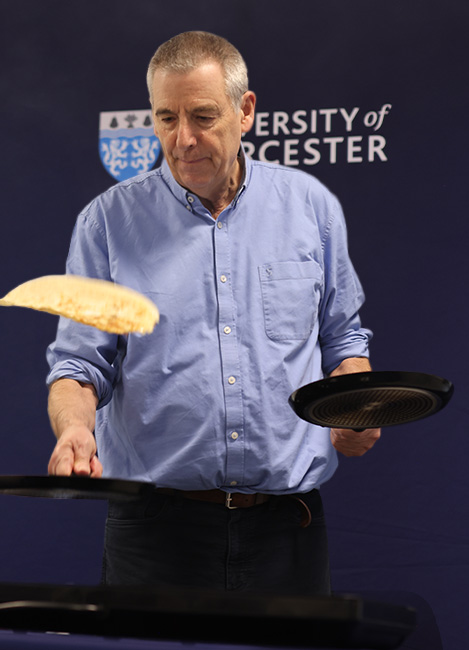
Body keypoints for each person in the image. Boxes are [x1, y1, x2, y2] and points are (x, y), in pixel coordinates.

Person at [45, 31, 380, 595]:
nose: (183, 139)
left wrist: (356, 406)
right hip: (154, 535)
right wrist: (74, 429)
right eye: (165, 118)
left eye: (202, 116)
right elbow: (79, 365)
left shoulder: (311, 208)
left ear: (245, 110)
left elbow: (344, 341)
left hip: (286, 533)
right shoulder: (106, 224)